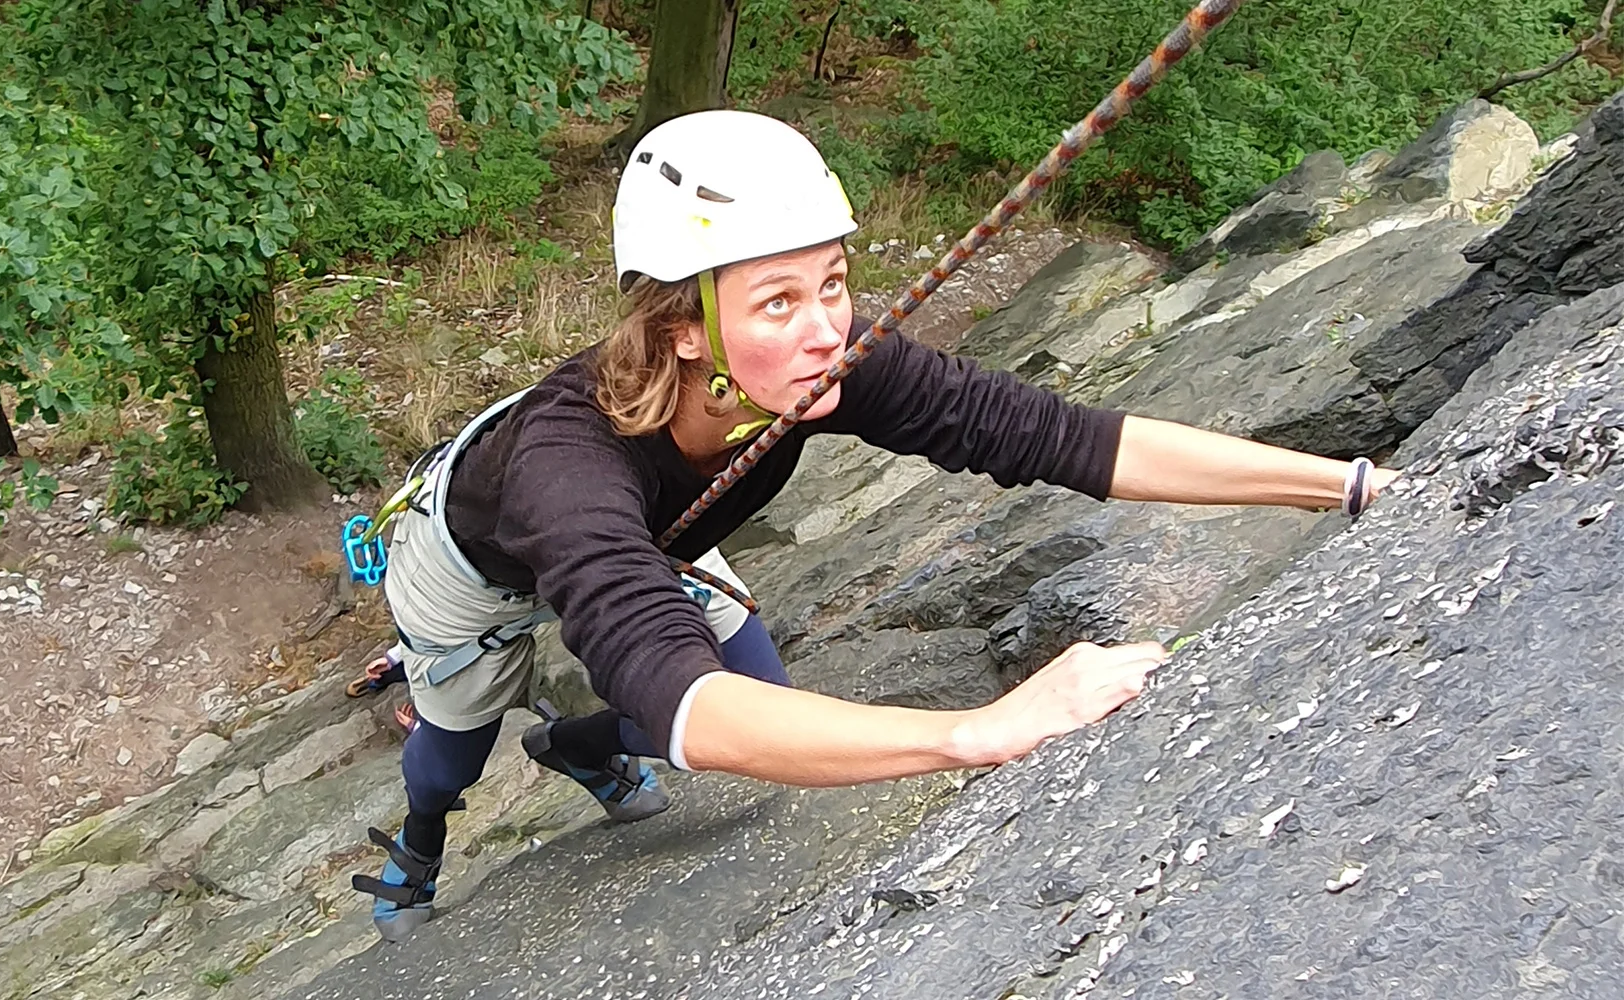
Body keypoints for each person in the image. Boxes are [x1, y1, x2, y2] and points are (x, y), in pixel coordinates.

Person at [347, 109, 1399, 941]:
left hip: (655, 531)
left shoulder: (822, 365)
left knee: (759, 710)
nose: (827, 332)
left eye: (834, 284)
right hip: (471, 568)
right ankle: (423, 841)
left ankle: (574, 744)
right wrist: (976, 732)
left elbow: (1055, 436)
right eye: (776, 302)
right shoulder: (562, 461)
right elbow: (676, 697)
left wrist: (1339, 484)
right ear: (680, 333)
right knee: (450, 754)